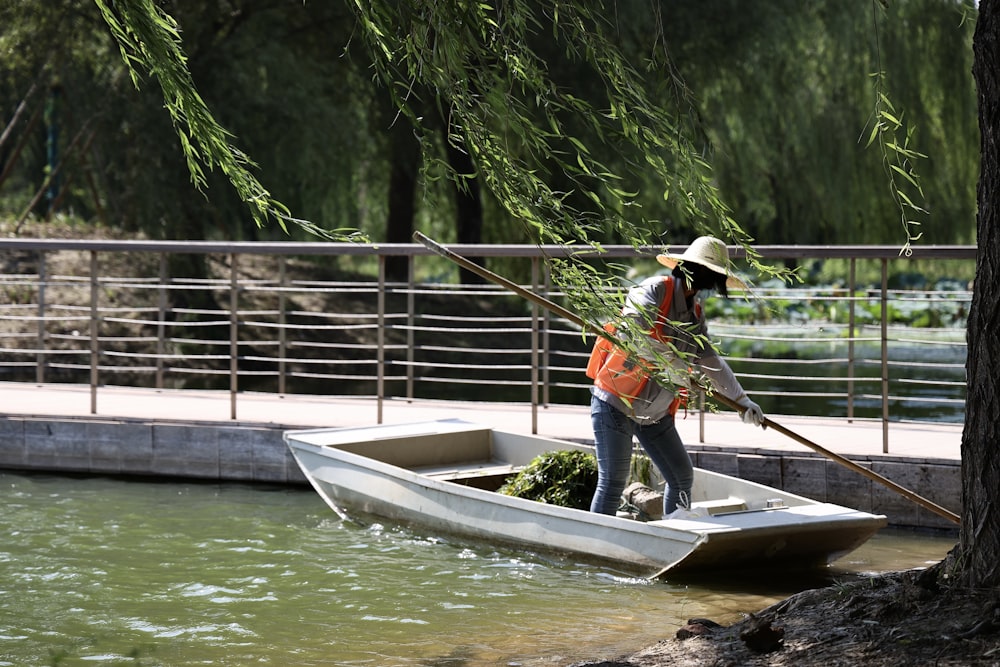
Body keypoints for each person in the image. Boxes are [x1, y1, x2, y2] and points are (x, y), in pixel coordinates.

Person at [586, 235, 765, 518]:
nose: (712, 283)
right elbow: (631, 332)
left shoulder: (695, 312)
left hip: (654, 412)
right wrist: (673, 361)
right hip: (617, 402)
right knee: (612, 482)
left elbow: (708, 358)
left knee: (681, 476)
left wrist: (741, 400)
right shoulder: (654, 289)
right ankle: (596, 546)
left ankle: (677, 533)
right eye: (712, 275)